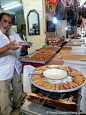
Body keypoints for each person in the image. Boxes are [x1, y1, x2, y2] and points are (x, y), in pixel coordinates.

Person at [0, 12, 30, 115]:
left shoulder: (15, 35)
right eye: (5, 21)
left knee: (17, 89)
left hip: (15, 67)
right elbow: (8, 48)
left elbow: (19, 49)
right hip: (3, 71)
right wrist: (7, 47)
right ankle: (6, 112)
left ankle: (17, 109)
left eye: (9, 22)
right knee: (4, 94)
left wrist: (24, 47)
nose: (7, 24)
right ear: (0, 22)